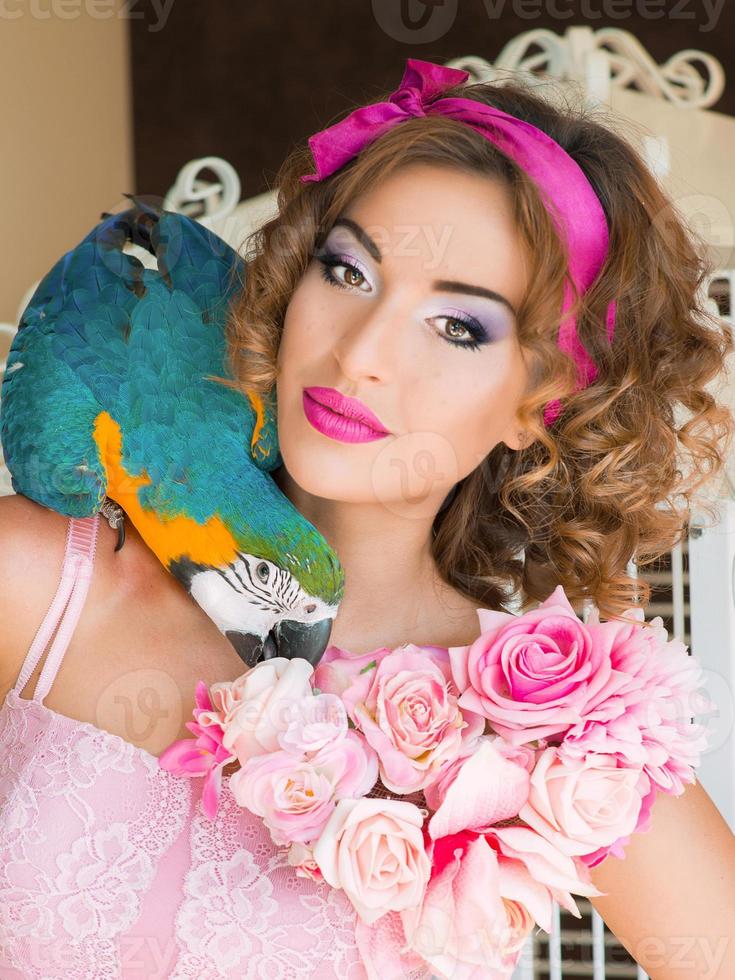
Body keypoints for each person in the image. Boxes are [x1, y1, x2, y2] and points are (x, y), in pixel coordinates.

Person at [1, 57, 735, 979]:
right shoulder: (48, 580)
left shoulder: (554, 745)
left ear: (540, 399)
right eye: (347, 271)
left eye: (459, 326)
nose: (361, 354)